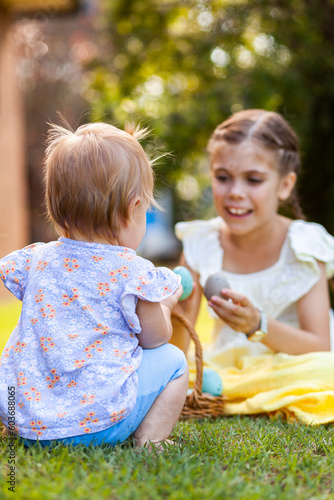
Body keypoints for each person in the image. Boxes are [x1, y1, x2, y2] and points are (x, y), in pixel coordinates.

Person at [0, 120, 189, 449]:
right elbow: (155, 337)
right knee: (175, 361)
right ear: (133, 209)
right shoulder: (132, 271)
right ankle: (150, 440)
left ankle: (19, 426)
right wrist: (167, 303)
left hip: (24, 421)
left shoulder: (35, 259)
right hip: (97, 423)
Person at [173, 109, 334, 425]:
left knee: (325, 371)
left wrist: (256, 324)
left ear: (285, 185)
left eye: (254, 179)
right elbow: (179, 348)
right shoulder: (201, 242)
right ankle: (250, 391)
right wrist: (174, 307)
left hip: (295, 361)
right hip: (230, 364)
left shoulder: (303, 245)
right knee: (175, 372)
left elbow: (319, 346)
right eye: (223, 177)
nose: (235, 192)